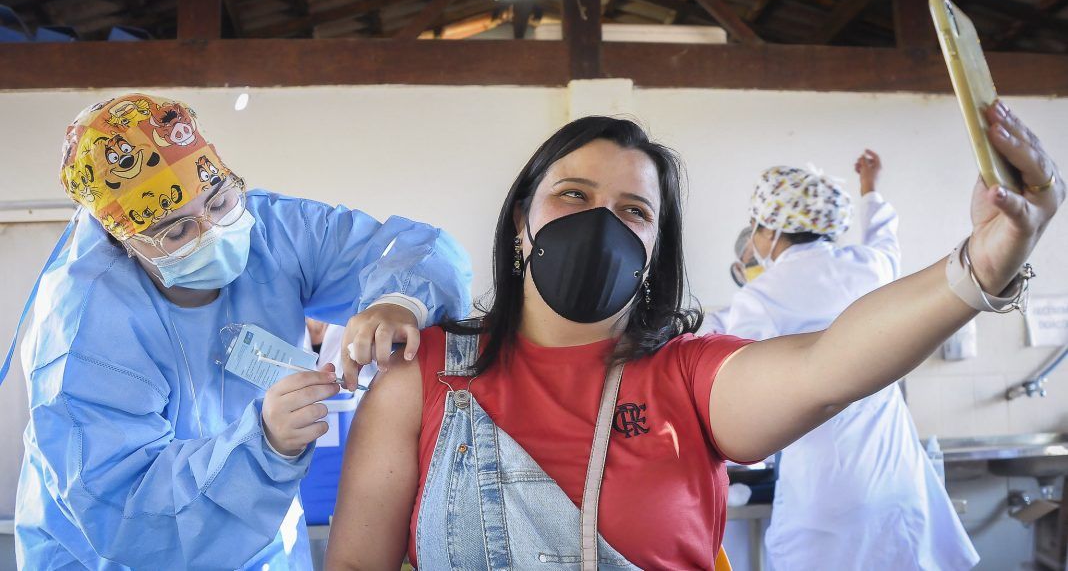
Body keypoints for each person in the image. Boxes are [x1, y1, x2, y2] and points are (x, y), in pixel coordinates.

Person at [326, 104, 1062, 570]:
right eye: (574, 195)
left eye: (634, 211)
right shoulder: (423, 374)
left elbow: (827, 367)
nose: (601, 224)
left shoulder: (689, 377)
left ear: (655, 250)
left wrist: (982, 264)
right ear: (522, 222)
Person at [9, 93, 472, 569]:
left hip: (262, 538)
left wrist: (399, 301)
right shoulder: (83, 331)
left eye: (219, 201)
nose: (213, 232)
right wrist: (262, 446)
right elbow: (130, 517)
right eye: (176, 232)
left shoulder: (271, 230)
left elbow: (415, 250)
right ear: (123, 240)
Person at [707, 150, 979, 570]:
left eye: (757, 227)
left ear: (773, 229)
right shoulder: (872, 266)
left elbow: (739, 395)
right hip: (895, 473)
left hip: (824, 491)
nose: (756, 240)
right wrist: (869, 186)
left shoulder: (759, 298)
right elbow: (885, 234)